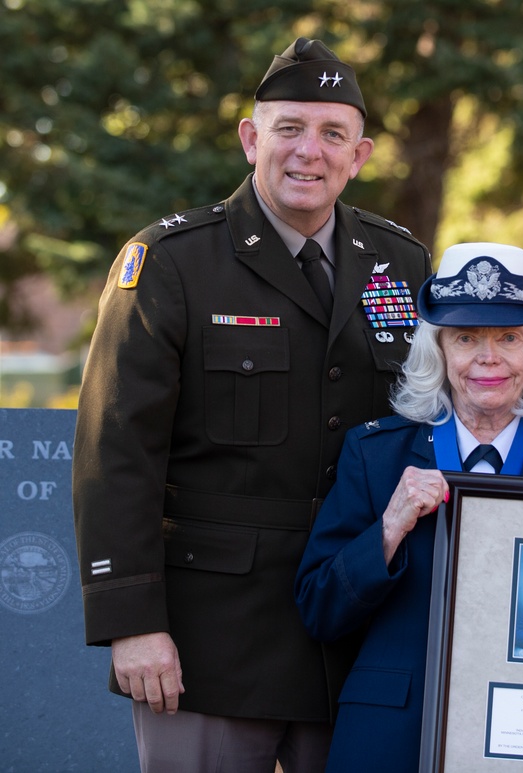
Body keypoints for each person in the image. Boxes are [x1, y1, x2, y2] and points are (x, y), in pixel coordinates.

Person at [72, 38, 431, 772]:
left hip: (359, 639)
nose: (309, 151)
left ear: (359, 155)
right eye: (289, 128)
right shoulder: (172, 263)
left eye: (332, 134)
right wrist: (131, 622)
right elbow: (116, 451)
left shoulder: (402, 263)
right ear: (250, 138)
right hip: (211, 646)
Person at [294, 242, 523, 772]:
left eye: (509, 338)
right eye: (466, 337)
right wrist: (389, 529)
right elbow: (319, 609)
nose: (488, 358)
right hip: (392, 736)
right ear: (439, 351)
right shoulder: (376, 457)